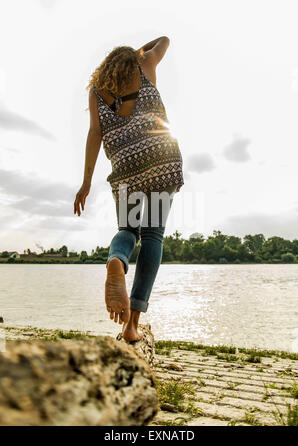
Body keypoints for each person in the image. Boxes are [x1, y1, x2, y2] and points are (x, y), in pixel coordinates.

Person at [74, 36, 184, 341]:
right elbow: (164, 40)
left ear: (106, 68)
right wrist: (138, 52)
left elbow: (95, 135)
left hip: (126, 170)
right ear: (132, 58)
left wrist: (85, 182)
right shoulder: (146, 64)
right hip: (161, 163)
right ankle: (132, 324)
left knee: (129, 230)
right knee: (153, 235)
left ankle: (116, 261)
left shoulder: (97, 92)